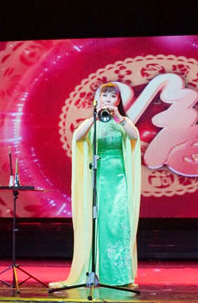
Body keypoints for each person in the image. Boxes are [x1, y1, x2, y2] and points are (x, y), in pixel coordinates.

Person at [51, 82, 141, 287]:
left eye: (112, 97)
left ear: (118, 101)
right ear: (98, 99)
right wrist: (94, 118)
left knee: (116, 223)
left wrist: (118, 117)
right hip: (97, 178)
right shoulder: (91, 121)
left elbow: (134, 136)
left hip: (118, 179)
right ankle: (94, 271)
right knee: (96, 223)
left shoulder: (123, 121)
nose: (108, 100)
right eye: (105, 96)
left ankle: (119, 276)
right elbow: (78, 137)